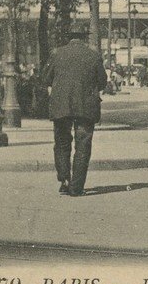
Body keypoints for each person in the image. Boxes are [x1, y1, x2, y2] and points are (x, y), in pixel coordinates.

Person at [44, 26, 107, 197]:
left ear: (69, 38)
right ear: (84, 38)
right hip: (86, 106)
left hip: (61, 105)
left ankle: (64, 179)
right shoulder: (93, 55)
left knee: (62, 142)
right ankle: (77, 187)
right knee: (83, 145)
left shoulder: (57, 53)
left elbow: (46, 78)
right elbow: (102, 82)